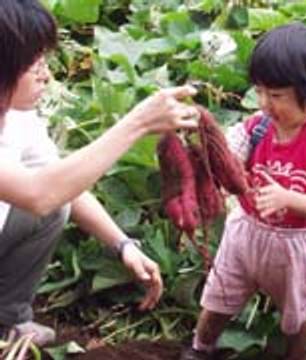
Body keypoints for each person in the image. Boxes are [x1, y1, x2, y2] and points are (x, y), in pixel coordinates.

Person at [0, 0, 199, 346]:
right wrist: (137, 122)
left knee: (56, 208)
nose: (45, 75)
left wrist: (123, 245)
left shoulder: (16, 115)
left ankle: (6, 323)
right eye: (33, 65)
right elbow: (37, 193)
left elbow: (61, 186)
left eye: (43, 61)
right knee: (45, 202)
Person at [182, 23, 306, 360]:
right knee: (218, 300)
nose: (264, 103)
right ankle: (199, 349)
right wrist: (199, 137)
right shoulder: (255, 128)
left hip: (295, 245)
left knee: (295, 315)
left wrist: (287, 199)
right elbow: (224, 156)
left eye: (276, 96)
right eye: (259, 91)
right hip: (244, 232)